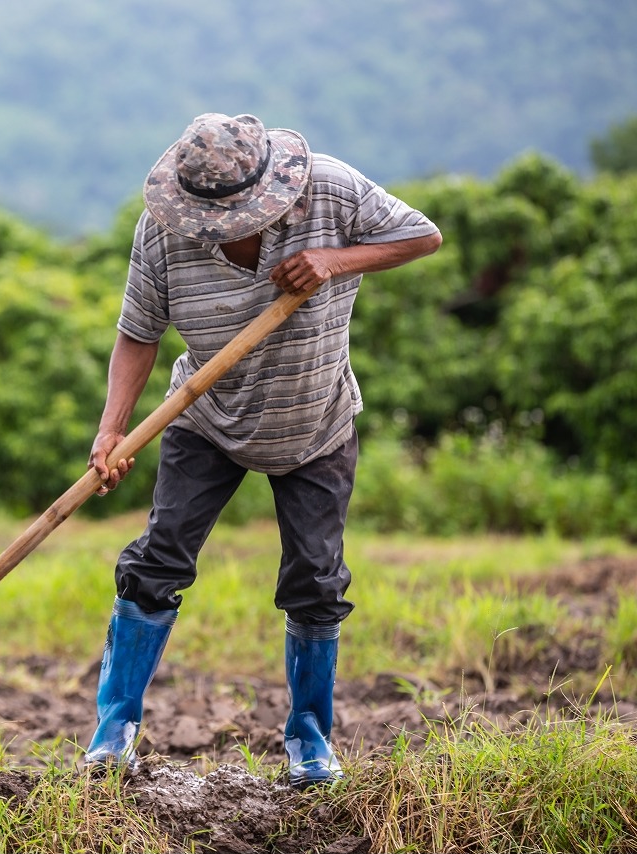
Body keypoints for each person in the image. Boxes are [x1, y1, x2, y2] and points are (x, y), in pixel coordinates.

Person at [82, 113, 442, 787]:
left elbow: (422, 235)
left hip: (316, 422)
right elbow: (138, 333)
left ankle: (310, 741)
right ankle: (113, 734)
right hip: (205, 417)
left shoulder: (329, 189)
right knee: (157, 561)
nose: (220, 229)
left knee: (315, 580)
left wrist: (335, 260)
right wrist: (112, 430)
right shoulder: (162, 232)